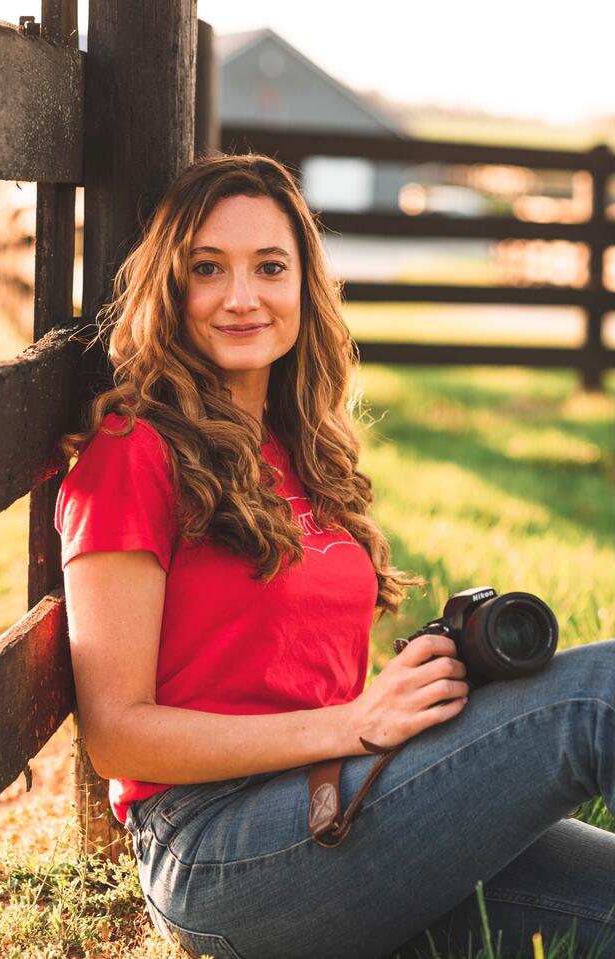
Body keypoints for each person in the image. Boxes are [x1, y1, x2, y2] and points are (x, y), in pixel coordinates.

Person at [55, 153, 615, 959]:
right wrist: (354, 723)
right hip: (216, 851)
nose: (241, 296)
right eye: (207, 268)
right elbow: (117, 735)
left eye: (269, 267)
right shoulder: (134, 452)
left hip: (336, 806)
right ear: (170, 289)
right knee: (597, 696)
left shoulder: (298, 450)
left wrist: (421, 692)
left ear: (303, 288)